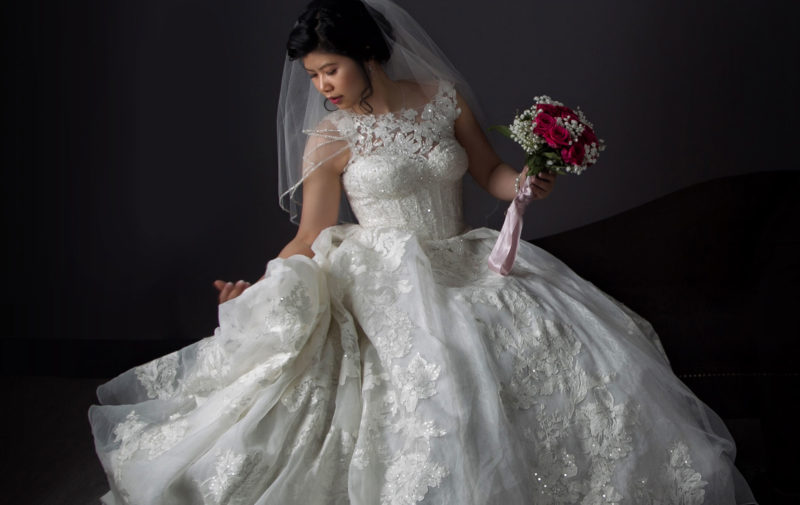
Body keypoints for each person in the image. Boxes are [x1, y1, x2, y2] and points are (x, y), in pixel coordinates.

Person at [88, 1, 757, 504]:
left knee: (556, 346)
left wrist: (528, 181)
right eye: (313, 75)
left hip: (462, 255)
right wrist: (265, 286)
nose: (322, 86)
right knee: (437, 365)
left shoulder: (444, 101)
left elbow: (489, 173)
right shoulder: (330, 135)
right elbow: (311, 233)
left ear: (367, 53)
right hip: (383, 272)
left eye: (330, 69)